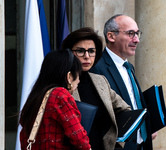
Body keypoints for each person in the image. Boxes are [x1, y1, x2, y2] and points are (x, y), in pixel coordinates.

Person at [90, 14, 157, 150]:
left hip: (141, 144)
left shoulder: (129, 67)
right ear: (111, 36)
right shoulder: (97, 67)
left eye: (137, 34)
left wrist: (148, 125)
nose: (136, 40)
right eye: (131, 34)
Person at [61, 27, 132, 150]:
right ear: (69, 52)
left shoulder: (100, 81)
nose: (87, 56)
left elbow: (126, 110)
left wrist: (118, 141)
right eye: (80, 51)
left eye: (91, 51)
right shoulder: (61, 84)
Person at [19, 49, 92, 150]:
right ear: (69, 76)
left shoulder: (36, 97)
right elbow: (79, 138)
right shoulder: (60, 95)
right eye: (78, 74)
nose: (79, 80)